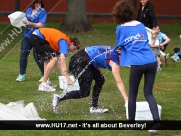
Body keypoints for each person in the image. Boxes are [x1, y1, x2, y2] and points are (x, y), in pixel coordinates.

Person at [112, 0, 160, 133]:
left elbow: (119, 45)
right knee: (148, 93)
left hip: (138, 64)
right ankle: (156, 122)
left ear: (118, 13)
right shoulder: (140, 24)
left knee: (132, 94)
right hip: (151, 61)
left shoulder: (120, 28)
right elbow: (143, 41)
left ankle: (131, 124)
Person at [51, 45, 128, 114]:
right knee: (84, 92)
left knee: (100, 79)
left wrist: (99, 69)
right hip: (80, 61)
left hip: (85, 58)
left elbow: (97, 55)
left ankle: (94, 107)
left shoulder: (115, 51)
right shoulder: (114, 62)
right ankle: (59, 98)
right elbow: (119, 82)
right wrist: (126, 99)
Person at [29, 28, 80, 92]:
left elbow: (58, 64)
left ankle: (46, 81)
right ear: (71, 43)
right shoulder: (64, 43)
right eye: (74, 48)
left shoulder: (62, 43)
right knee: (53, 59)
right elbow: (62, 63)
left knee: (49, 59)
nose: (73, 51)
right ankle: (43, 84)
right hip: (38, 37)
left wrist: (65, 77)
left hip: (37, 37)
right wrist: (67, 79)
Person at [16, 0, 47, 82]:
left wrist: (29, 23)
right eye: (36, 3)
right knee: (23, 55)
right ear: (33, 3)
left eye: (39, 3)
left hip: (38, 36)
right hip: (27, 36)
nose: (38, 5)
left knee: (37, 57)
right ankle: (21, 75)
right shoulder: (29, 10)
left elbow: (41, 25)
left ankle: (45, 75)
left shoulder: (42, 12)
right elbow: (23, 19)